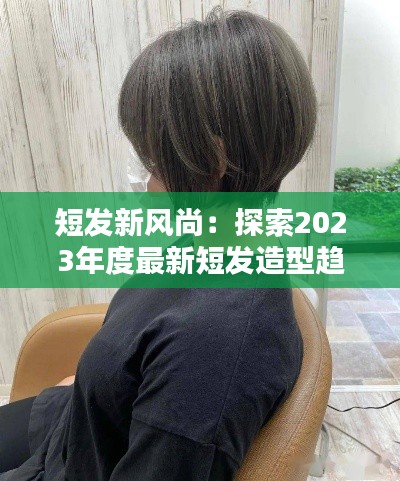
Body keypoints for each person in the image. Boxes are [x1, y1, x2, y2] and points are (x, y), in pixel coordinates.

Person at [0, 7, 317, 480]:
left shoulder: (210, 350)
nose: (145, 180)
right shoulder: (209, 246)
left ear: (212, 158)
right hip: (70, 424)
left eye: (152, 159)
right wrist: (92, 383)